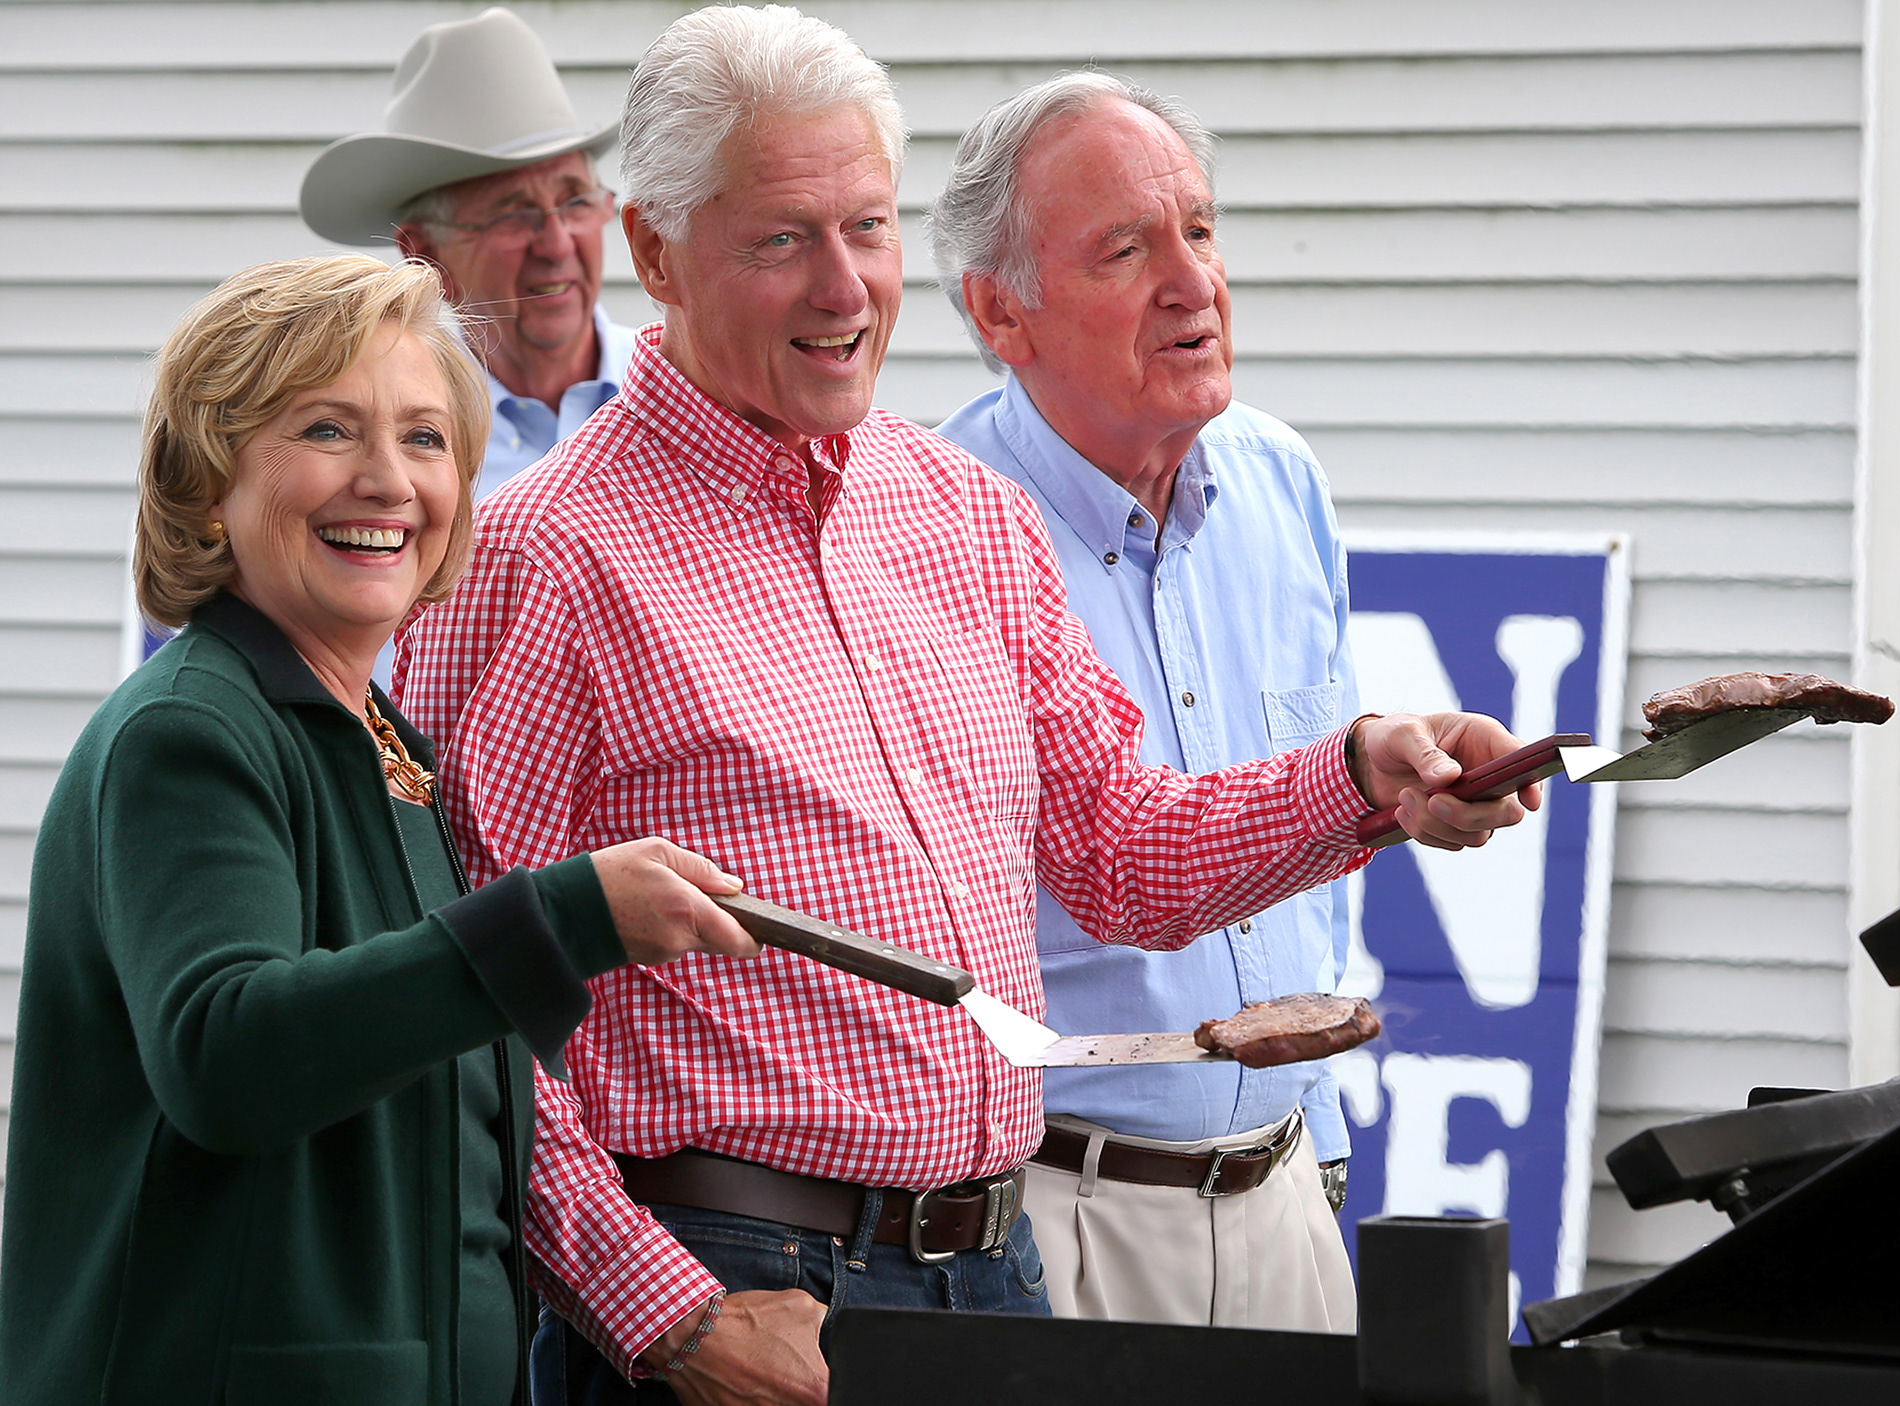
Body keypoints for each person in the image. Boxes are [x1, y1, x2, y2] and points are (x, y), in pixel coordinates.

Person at [394, 8, 1539, 1404]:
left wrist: (1368, 778)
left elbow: (1123, 848)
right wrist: (673, 1314)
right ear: (653, 253)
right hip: (738, 1274)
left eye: (867, 228)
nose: (845, 286)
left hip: (997, 1273)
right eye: (782, 239)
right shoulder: (539, 557)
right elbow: (464, 1023)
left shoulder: (962, 512)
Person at [0, 254, 760, 1406]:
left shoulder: (386, 748)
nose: (387, 480)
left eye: (423, 438)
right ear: (209, 481)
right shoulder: (189, 733)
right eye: (326, 428)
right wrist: (562, 915)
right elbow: (229, 1052)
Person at [929, 72, 1365, 1331]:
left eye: (1203, 230)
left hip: (1286, 1188)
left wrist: (1320, 1139)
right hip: (1059, 1208)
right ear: (1000, 313)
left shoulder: (1284, 482)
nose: (1194, 283)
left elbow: (1312, 871)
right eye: (1128, 248)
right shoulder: (937, 528)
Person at [300, 7, 633, 504]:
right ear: (427, 257)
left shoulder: (688, 394)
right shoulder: (391, 454)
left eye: (576, 200)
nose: (558, 244)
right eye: (515, 214)